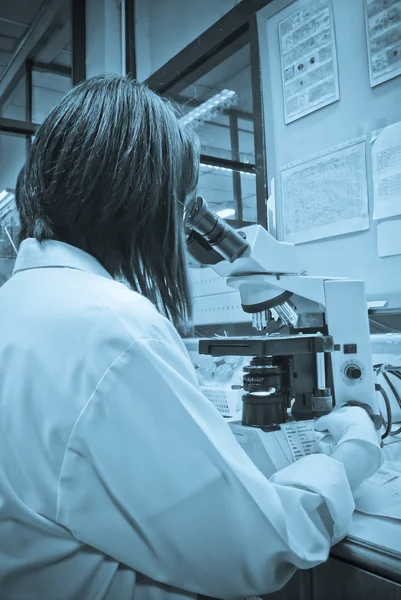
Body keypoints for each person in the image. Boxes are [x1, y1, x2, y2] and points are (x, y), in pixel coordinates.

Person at [0, 74, 382, 600]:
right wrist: (354, 451)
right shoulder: (110, 328)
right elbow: (259, 550)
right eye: (180, 209)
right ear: (142, 202)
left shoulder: (19, 304)